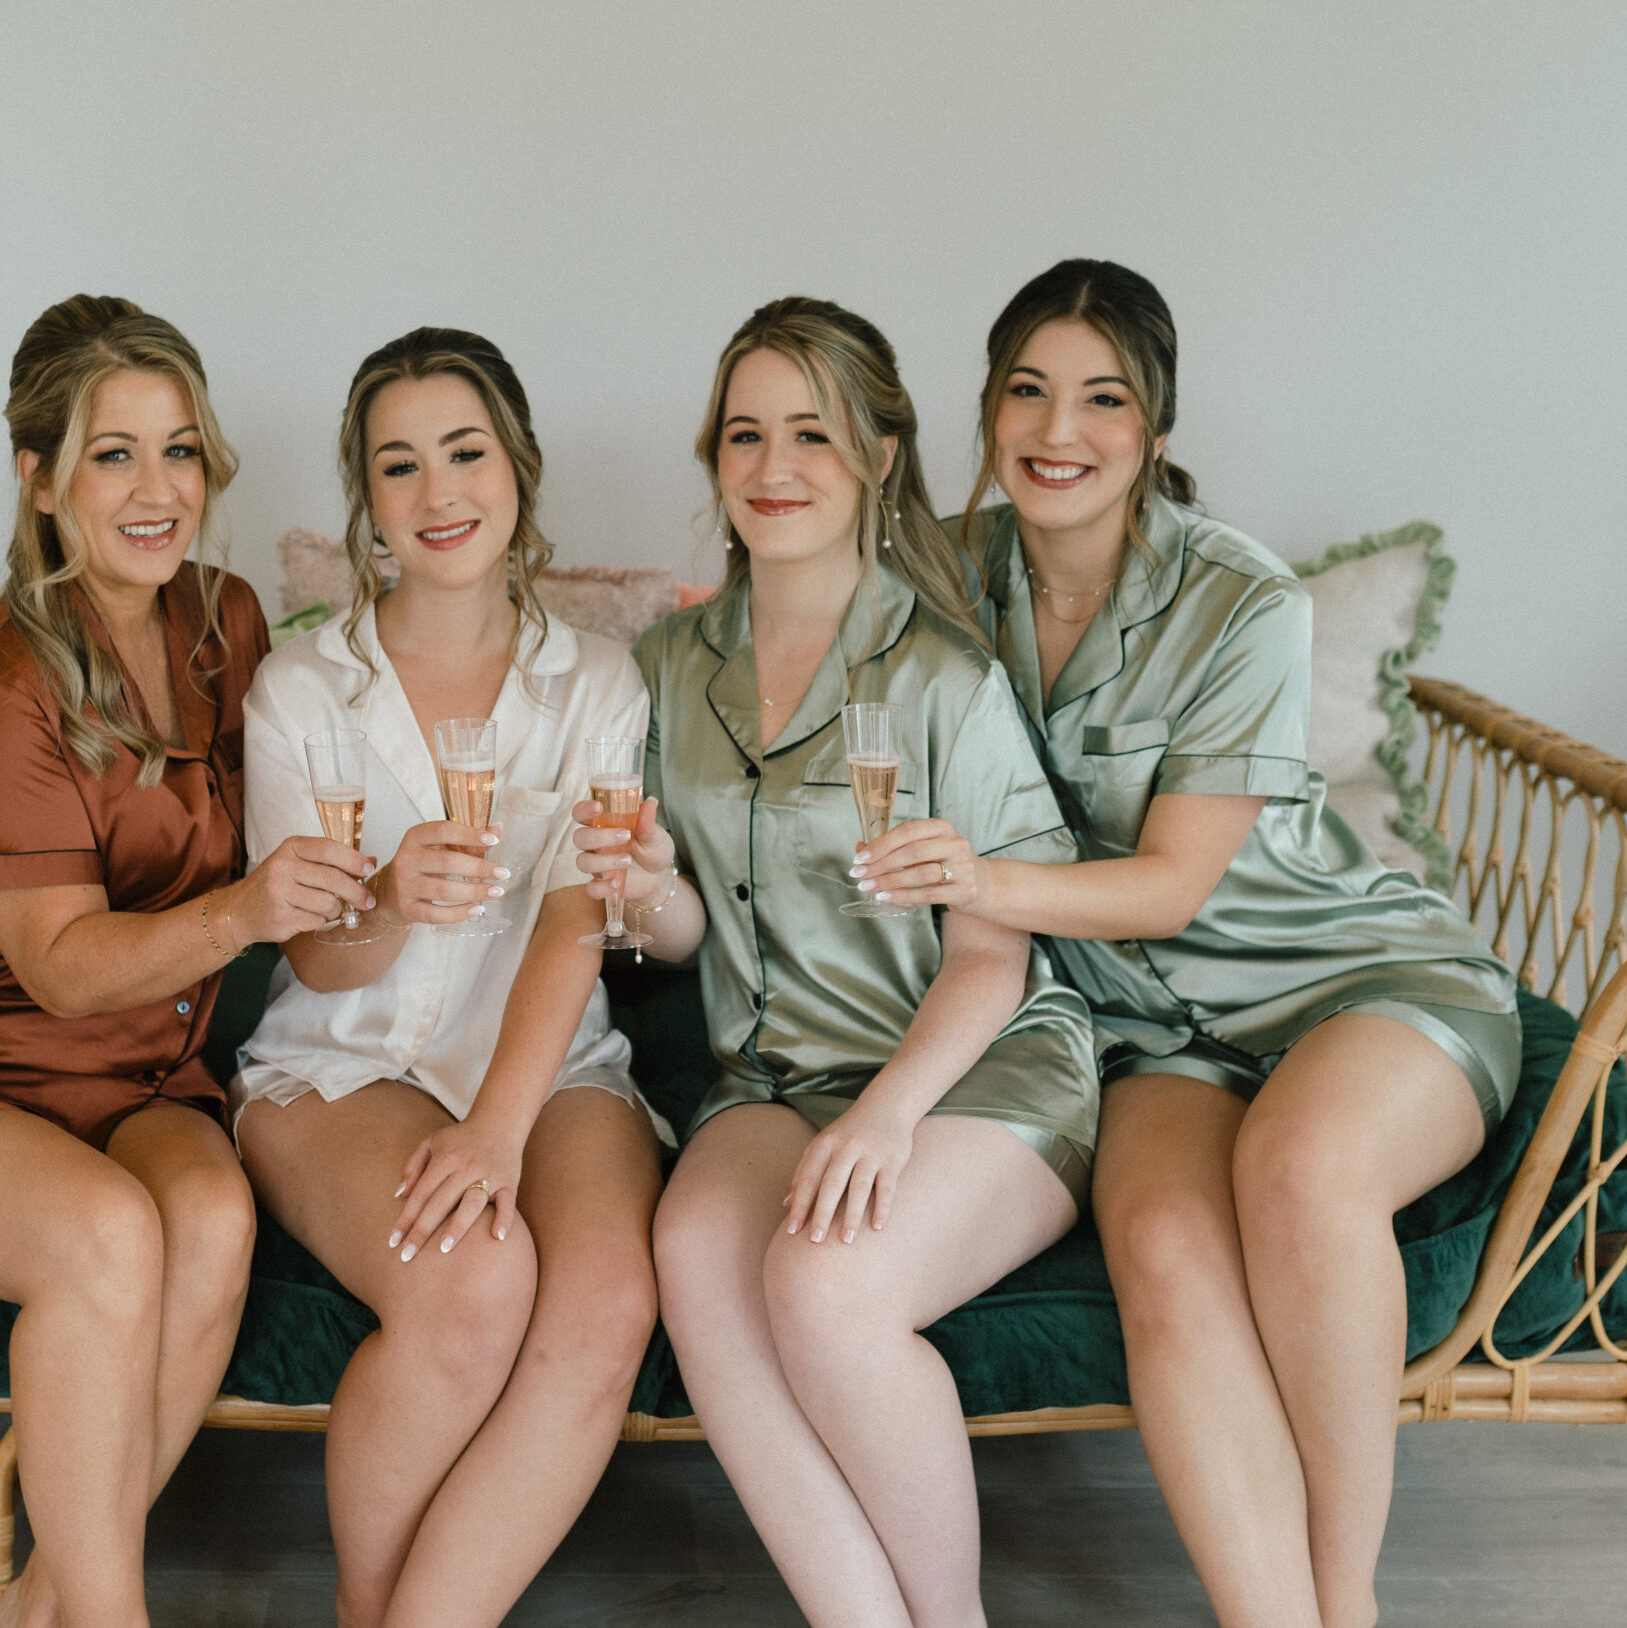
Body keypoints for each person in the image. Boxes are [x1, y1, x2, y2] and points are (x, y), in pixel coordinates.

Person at [859, 259, 1523, 1628]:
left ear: (1155, 432)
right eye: (1028, 392)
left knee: (1304, 1164)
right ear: (985, 411)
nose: (1059, 430)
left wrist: (981, 875)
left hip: (1355, 983)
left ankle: (1347, 1607)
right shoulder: (942, 572)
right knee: (1159, 1244)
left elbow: (1168, 887)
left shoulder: (1243, 603)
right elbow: (798, 596)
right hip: (1151, 1033)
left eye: (1103, 399)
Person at [0, 296, 374, 1628]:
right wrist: (250, 911)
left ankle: (48, 1606)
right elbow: (59, 973)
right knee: (105, 1238)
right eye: (114, 455)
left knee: (213, 1221)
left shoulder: (224, 619)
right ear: (39, 476)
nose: (159, 489)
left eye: (180, 449)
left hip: (138, 1071)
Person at [597, 297, 1098, 1627]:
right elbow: (687, 932)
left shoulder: (944, 677)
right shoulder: (662, 666)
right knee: (701, 1257)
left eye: (811, 433)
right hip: (769, 1077)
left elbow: (996, 953)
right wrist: (647, 895)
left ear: (881, 456)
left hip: (969, 1073)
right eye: (745, 434)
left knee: (824, 1286)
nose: (772, 467)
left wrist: (885, 1120)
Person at [230, 328, 666, 1628]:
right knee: (473, 1283)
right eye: (400, 466)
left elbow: (579, 919)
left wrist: (496, 1129)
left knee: (606, 1299)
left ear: (518, 468)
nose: (439, 494)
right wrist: (379, 893)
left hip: (546, 1062)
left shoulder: (594, 681)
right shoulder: (302, 688)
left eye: (465, 453)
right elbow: (311, 950)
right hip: (340, 1064)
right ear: (367, 501)